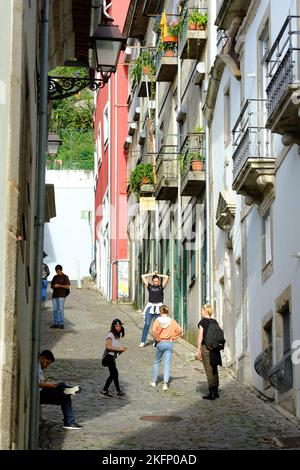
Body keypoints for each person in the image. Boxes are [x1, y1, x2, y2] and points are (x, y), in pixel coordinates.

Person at [39, 350, 82, 430]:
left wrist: (50, 384)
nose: (47, 366)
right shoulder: (36, 368)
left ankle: (68, 390)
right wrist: (50, 385)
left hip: (43, 391)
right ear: (42, 358)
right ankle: (69, 422)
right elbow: (36, 383)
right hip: (39, 394)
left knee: (62, 388)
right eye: (47, 363)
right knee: (64, 395)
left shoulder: (39, 368)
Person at [151, 305, 182, 391]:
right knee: (167, 363)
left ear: (160, 312)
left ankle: (154, 381)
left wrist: (158, 339)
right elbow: (180, 330)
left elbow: (153, 331)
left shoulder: (157, 320)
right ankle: (165, 383)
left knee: (157, 361)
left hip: (161, 342)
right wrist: (174, 337)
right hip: (169, 342)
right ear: (167, 312)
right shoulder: (172, 321)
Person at [196, 304, 222, 400]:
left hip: (206, 347)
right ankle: (216, 391)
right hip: (215, 348)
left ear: (206, 311)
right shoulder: (215, 322)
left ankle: (211, 393)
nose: (200, 312)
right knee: (214, 369)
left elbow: (200, 337)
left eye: (201, 310)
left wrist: (198, 349)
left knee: (209, 370)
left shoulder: (203, 322)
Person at [139, 271, 169, 348]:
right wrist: (152, 274)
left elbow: (166, 277)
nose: (156, 282)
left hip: (159, 308)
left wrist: (158, 275)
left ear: (159, 281)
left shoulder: (161, 287)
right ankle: (143, 341)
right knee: (147, 324)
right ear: (152, 281)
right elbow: (142, 276)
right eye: (154, 281)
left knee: (158, 326)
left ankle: (156, 341)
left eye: (157, 281)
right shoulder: (150, 287)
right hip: (150, 307)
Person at [100, 319, 127, 399]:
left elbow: (115, 349)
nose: (118, 327)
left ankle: (104, 391)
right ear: (113, 326)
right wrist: (119, 349)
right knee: (115, 373)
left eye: (119, 326)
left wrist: (121, 350)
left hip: (112, 357)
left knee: (113, 375)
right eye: (116, 326)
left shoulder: (117, 335)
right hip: (108, 357)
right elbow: (108, 347)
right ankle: (118, 392)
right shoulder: (110, 334)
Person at [50, 264, 70, 329]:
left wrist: (59, 286)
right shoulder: (55, 277)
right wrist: (54, 286)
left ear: (61, 270)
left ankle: (61, 323)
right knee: (55, 310)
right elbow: (51, 285)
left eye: (58, 271)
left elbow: (67, 286)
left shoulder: (65, 277)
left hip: (61, 295)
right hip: (54, 296)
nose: (57, 272)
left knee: (61, 309)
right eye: (56, 271)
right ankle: (56, 323)